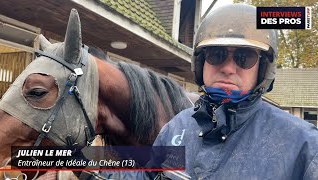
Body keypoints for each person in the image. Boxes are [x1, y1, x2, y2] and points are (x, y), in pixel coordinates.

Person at [96, 3, 318, 179]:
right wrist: (85, 161)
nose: (229, 68)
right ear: (201, 63)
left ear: (263, 69)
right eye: (217, 54)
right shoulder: (178, 128)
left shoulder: (302, 146)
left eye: (244, 57)